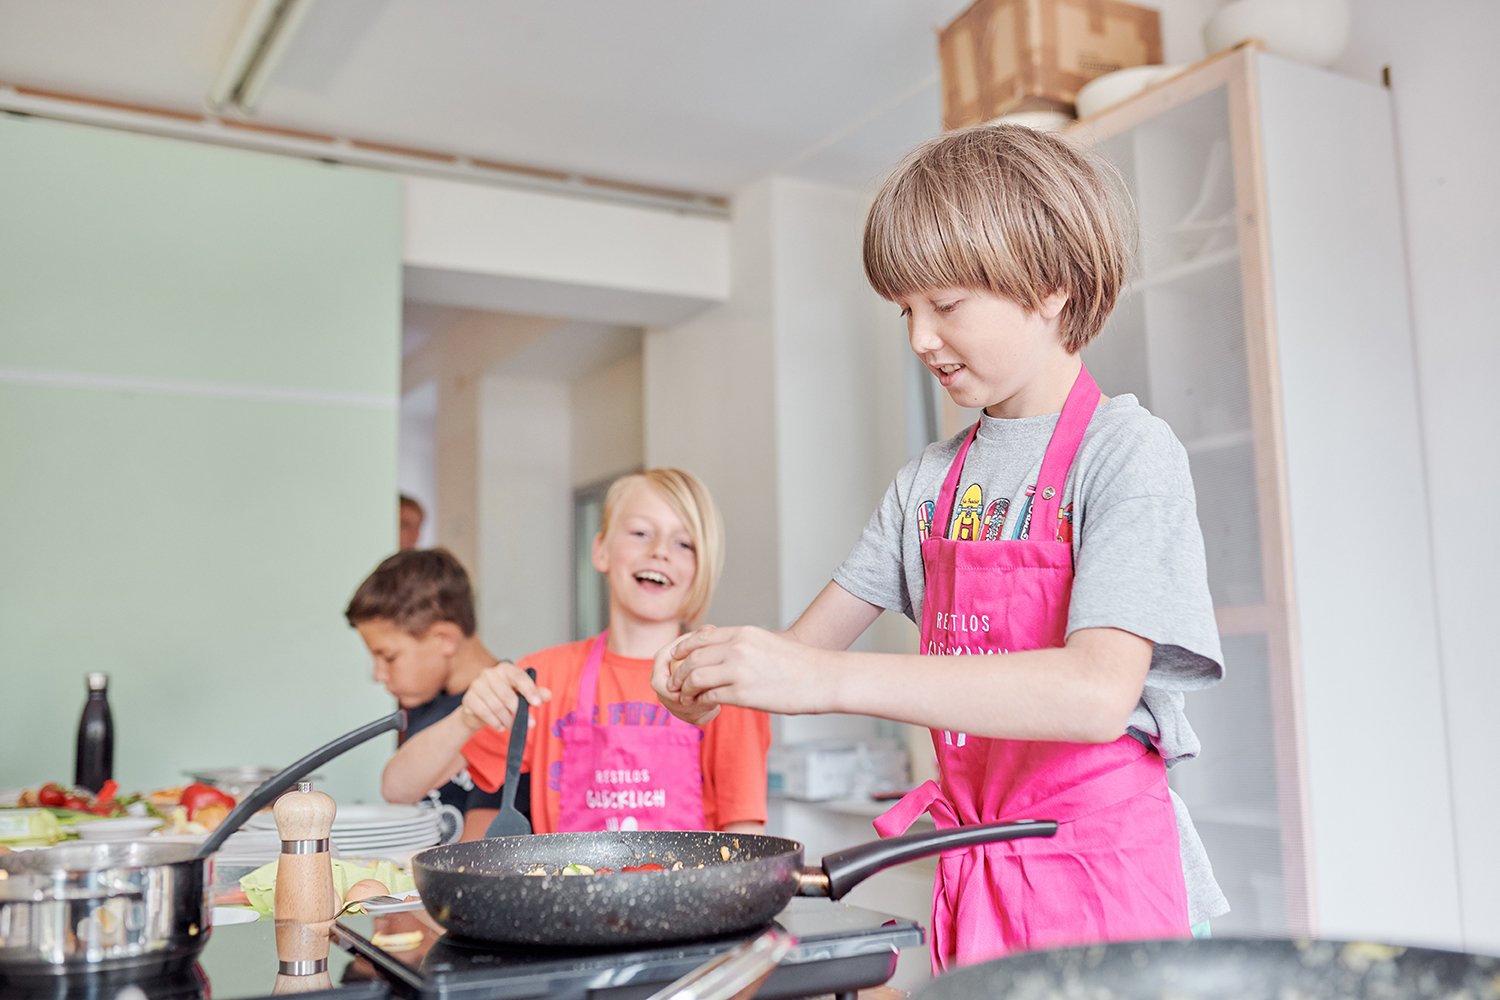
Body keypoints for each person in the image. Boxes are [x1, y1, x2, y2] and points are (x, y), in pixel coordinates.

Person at [654, 124, 1229, 969]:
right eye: (906, 311)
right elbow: (800, 658)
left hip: (1104, 885)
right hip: (980, 878)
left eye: (947, 305)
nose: (921, 338)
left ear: (1052, 287)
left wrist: (825, 679)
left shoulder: (1125, 453)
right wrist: (719, 675)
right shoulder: (927, 486)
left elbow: (1096, 693)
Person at [384, 468, 771, 836]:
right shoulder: (542, 679)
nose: (660, 552)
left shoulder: (720, 683)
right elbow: (398, 788)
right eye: (640, 532)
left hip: (694, 888)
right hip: (567, 888)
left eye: (684, 543)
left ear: (701, 570)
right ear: (601, 551)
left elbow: (746, 837)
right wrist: (467, 717)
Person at [345, 548, 513, 840]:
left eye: (388, 657)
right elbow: (396, 792)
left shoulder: (505, 705)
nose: (378, 675)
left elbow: (482, 847)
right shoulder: (423, 701)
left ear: (444, 639)